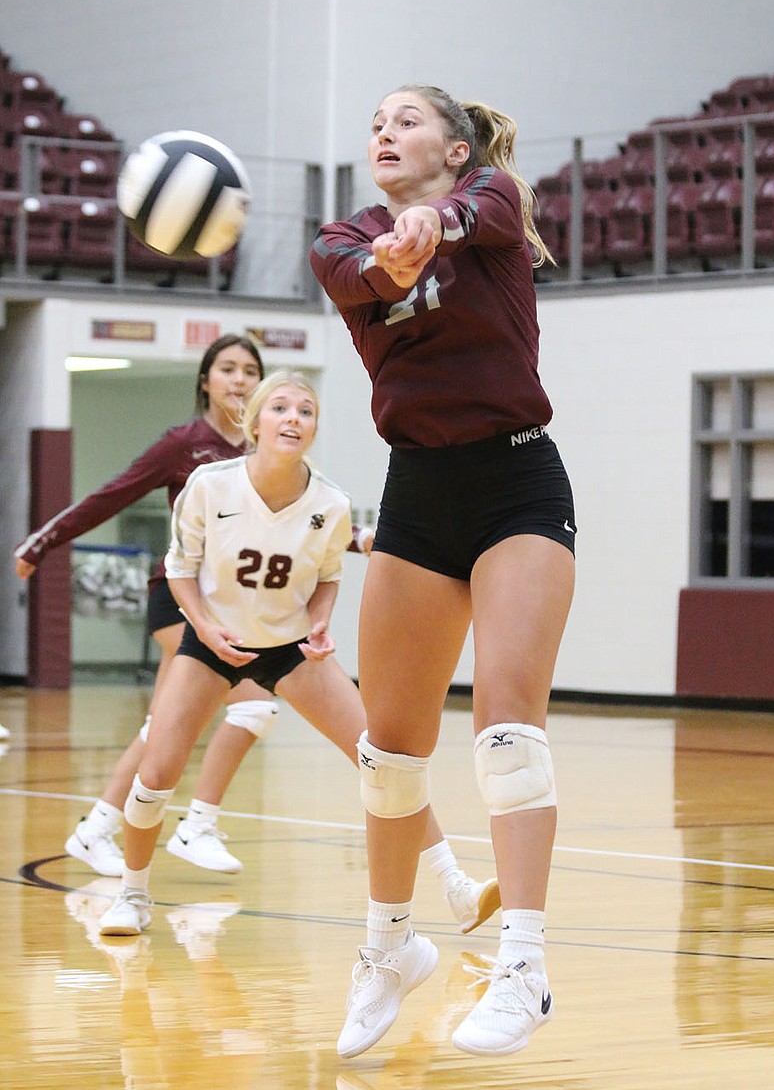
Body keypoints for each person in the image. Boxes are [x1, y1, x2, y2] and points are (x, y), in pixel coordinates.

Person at [309, 85, 576, 1058]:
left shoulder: (493, 202)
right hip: (417, 490)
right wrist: (391, 250)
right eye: (373, 122)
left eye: (405, 118)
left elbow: (474, 213)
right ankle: (387, 946)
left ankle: (523, 966)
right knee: (389, 751)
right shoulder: (339, 241)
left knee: (506, 723)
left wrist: (433, 221)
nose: (382, 131)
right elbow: (360, 272)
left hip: (515, 480)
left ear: (455, 149)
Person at [97, 369, 500, 939]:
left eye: (305, 410)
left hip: (288, 648)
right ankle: (133, 896)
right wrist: (207, 629)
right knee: (156, 773)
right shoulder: (210, 485)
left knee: (382, 759)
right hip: (212, 644)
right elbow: (179, 569)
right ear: (254, 422)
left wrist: (318, 621)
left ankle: (455, 884)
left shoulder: (330, 504)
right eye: (280, 407)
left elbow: (328, 574)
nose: (293, 418)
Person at [14, 334, 286, 876]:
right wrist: (42, 542)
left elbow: (300, 517)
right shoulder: (183, 443)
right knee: (254, 702)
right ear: (205, 381)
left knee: (164, 725)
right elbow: (111, 495)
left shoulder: (266, 451)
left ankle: (95, 830)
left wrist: (359, 538)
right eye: (227, 368)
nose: (239, 379)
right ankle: (198, 825)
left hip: (232, 606)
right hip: (179, 599)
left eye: (250, 370)